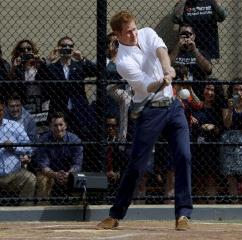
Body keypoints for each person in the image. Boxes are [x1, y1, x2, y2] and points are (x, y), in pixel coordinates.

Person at [97, 10, 192, 231]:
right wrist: (162, 80)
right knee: (137, 165)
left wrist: (168, 68)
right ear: (117, 34)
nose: (133, 34)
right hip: (150, 111)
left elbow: (161, 51)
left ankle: (183, 214)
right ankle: (115, 214)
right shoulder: (122, 61)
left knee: (184, 156)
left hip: (173, 106)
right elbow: (146, 86)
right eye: (128, 32)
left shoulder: (147, 33)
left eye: (134, 28)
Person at [43, 36, 96, 139]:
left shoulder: (79, 66)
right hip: (59, 110)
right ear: (58, 48)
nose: (67, 48)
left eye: (70, 46)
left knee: (82, 138)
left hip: (79, 110)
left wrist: (82, 59)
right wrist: (48, 60)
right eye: (63, 46)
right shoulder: (53, 67)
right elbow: (39, 78)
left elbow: (96, 72)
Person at [35, 111, 83, 199]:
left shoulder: (75, 140)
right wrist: (55, 175)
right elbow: (43, 166)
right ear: (50, 127)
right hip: (49, 173)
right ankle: (42, 208)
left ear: (66, 125)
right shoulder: (44, 139)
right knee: (43, 179)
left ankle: (76, 208)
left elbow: (77, 164)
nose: (58, 128)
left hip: (69, 172)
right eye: (55, 125)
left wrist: (68, 174)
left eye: (61, 125)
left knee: (79, 178)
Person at [0, 98, 35, 204]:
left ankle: (25, 213)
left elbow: (28, 148)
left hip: (14, 173)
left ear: (4, 110)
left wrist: (14, 148)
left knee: (30, 178)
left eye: (0, 110)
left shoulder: (15, 126)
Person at [192, 84, 223, 203]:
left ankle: (212, 206)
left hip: (212, 146)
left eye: (213, 90)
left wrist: (213, 127)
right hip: (197, 146)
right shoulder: (196, 106)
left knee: (211, 178)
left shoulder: (218, 108)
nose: (209, 92)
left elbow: (222, 127)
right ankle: (200, 209)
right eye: (207, 89)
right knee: (199, 179)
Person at [8, 39, 48, 115]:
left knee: (40, 125)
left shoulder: (40, 66)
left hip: (40, 102)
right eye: (22, 49)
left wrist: (41, 62)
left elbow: (49, 78)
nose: (26, 51)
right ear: (18, 52)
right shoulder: (18, 68)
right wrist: (14, 68)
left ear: (33, 50)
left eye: (29, 48)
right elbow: (10, 87)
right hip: (24, 103)